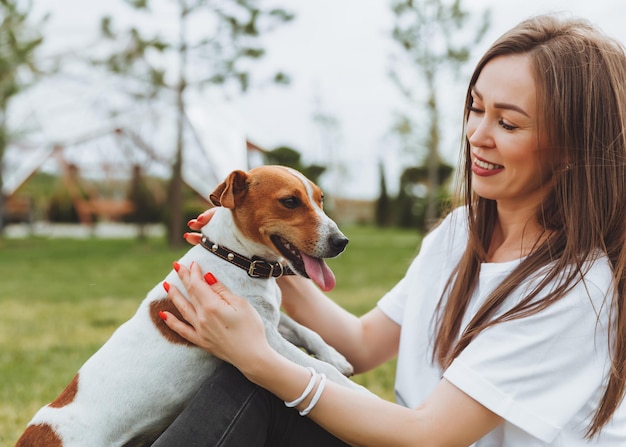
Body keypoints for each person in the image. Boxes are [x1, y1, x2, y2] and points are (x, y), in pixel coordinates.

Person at [153, 13, 626, 446]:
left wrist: (258, 359)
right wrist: (257, 254)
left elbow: (430, 435)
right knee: (245, 386)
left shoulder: (576, 289)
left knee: (252, 382)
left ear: (570, 147)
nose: (477, 134)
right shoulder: (460, 234)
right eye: (476, 108)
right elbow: (359, 345)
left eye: (507, 122)